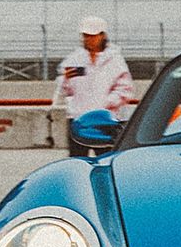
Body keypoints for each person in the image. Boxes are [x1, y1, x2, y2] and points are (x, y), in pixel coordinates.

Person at [52, 16, 135, 156]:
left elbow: (126, 90)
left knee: (106, 159)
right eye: (85, 36)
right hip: (79, 119)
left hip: (105, 120)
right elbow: (64, 90)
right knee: (78, 161)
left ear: (102, 35)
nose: (88, 39)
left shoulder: (115, 61)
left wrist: (104, 104)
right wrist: (65, 79)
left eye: (92, 36)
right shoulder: (74, 59)